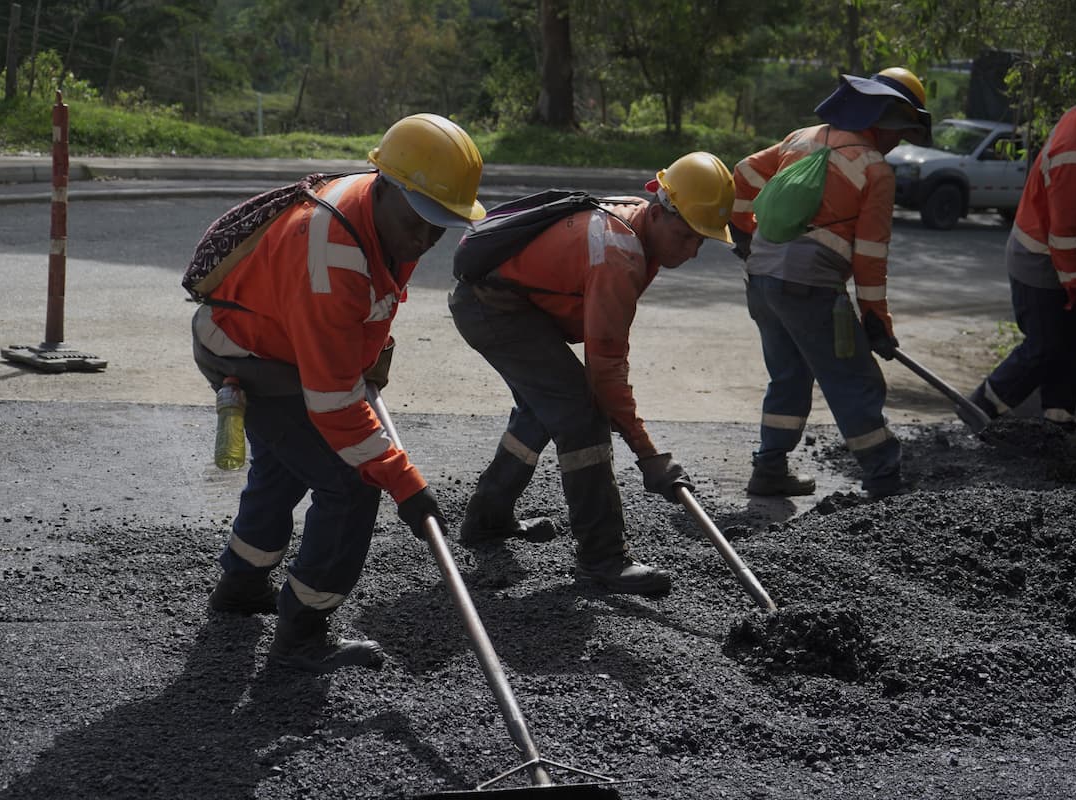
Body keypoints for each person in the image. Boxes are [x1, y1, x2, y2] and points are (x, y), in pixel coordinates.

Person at [191, 113, 486, 673]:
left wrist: (368, 360)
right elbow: (332, 404)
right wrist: (404, 482)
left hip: (273, 342)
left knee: (288, 462)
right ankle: (302, 634)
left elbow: (369, 309)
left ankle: (242, 585)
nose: (424, 240)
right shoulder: (332, 253)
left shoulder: (387, 217)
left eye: (440, 227)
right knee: (350, 483)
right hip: (248, 354)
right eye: (419, 221)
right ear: (386, 185)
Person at [448, 152, 736, 596]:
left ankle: (488, 518)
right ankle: (602, 557)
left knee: (546, 408)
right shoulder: (618, 254)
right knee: (582, 415)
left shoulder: (635, 220)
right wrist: (649, 454)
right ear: (657, 212)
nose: (692, 251)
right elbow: (606, 371)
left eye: (701, 242)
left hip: (515, 304)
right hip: (493, 308)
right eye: (685, 236)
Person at [729, 67, 932, 499]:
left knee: (789, 374)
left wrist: (745, 234)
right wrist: (876, 321)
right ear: (885, 120)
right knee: (854, 378)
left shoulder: (801, 138)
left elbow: (743, 172)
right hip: (810, 287)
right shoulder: (875, 170)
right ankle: (884, 477)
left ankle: (770, 468)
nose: (899, 142)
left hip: (761, 278)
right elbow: (870, 257)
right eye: (901, 132)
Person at [963, 51, 1076, 429]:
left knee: (1074, 345)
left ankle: (1056, 423)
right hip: (1041, 262)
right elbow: (1063, 240)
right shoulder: (1073, 156)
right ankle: (978, 412)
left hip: (1073, 259)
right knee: (1044, 347)